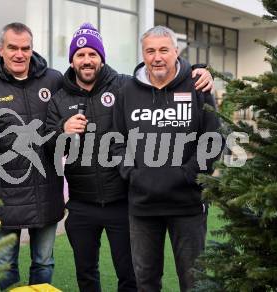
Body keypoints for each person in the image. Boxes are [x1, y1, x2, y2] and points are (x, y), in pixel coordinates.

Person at [45, 23, 214, 292]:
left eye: (92, 54)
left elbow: (211, 137)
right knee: (112, 277)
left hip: (151, 200)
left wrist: (201, 69)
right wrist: (62, 131)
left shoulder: (130, 85)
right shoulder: (67, 98)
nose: (87, 60)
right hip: (105, 202)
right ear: (72, 60)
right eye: (80, 55)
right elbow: (57, 147)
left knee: (165, 278)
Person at [111, 25, 222, 292]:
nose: (157, 57)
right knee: (146, 282)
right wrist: (133, 175)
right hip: (143, 206)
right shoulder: (127, 91)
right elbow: (115, 142)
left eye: (163, 50)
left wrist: (186, 175)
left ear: (176, 52)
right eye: (150, 51)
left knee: (194, 281)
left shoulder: (198, 86)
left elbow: (212, 140)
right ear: (143, 53)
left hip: (188, 205)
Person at [0, 22, 65, 291]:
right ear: (0, 49)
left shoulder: (53, 80)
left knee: (44, 262)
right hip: (3, 193)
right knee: (6, 262)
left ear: (32, 49)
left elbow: (89, 85)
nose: (19, 54)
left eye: (25, 48)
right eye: (13, 48)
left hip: (47, 190)